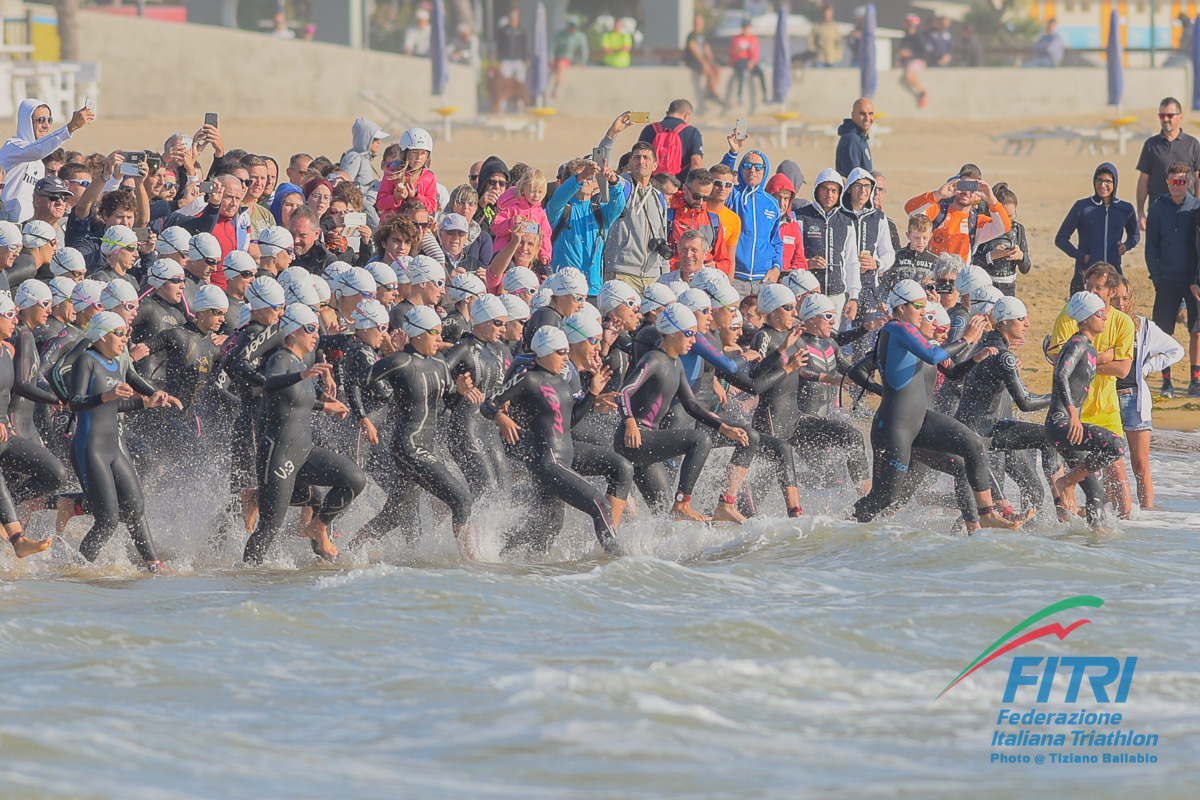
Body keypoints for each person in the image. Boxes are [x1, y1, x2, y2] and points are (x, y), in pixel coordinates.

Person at [850, 280, 1018, 529]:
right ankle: (842, 529)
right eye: (918, 305)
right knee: (884, 497)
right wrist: (968, 339)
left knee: (972, 445)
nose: (921, 311)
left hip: (920, 420)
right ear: (900, 306)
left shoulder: (914, 337)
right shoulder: (897, 329)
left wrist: (975, 357)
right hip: (895, 426)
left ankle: (987, 513)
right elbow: (932, 356)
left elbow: (952, 373)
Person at [349, 305, 481, 557]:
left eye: (440, 332)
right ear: (416, 333)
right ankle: (473, 563)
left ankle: (349, 553)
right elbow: (354, 382)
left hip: (424, 448)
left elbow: (449, 402)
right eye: (434, 332)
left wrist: (461, 392)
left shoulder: (440, 364)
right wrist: (363, 418)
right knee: (461, 499)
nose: (440, 339)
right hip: (408, 447)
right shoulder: (400, 361)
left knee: (393, 516)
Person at [486, 325, 625, 555]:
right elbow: (488, 402)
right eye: (561, 352)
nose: (566, 357)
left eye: (566, 351)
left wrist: (592, 394)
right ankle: (618, 560)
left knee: (547, 528)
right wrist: (500, 416)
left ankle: (496, 550)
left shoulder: (560, 381)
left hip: (563, 457)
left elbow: (569, 422)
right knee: (599, 504)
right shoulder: (528, 379)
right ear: (546, 352)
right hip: (547, 462)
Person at [242, 303, 363, 564]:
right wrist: (302, 374)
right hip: (278, 452)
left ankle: (318, 526)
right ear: (293, 332)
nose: (315, 335)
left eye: (316, 330)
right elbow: (270, 385)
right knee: (270, 526)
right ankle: (248, 576)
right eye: (309, 329)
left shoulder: (301, 363)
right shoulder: (281, 359)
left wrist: (326, 405)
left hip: (304, 451)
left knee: (354, 479)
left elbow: (299, 399)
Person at [615, 302, 755, 522]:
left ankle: (645, 551)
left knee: (662, 515)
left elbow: (692, 406)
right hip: (634, 439)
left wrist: (724, 427)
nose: (693, 340)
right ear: (671, 334)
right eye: (689, 334)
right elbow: (623, 392)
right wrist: (630, 422)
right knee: (699, 440)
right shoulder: (653, 359)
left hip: (647, 446)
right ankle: (682, 503)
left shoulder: (676, 364)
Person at [69, 311, 182, 571]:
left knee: (135, 508)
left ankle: (154, 565)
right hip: (90, 447)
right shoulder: (87, 361)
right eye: (119, 333)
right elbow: (74, 403)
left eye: (126, 333)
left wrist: (149, 401)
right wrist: (106, 396)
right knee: (107, 519)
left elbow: (119, 405)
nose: (125, 339)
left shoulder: (119, 360)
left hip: (114, 446)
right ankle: (76, 570)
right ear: (102, 335)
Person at [1048, 261, 1135, 517]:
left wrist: (1089, 361)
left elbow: (1123, 370)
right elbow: (1059, 362)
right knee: (1078, 481)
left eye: (1099, 288)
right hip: (1074, 408)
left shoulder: (1122, 322)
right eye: (1088, 286)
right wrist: (1104, 356)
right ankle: (1069, 540)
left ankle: (1121, 534)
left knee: (1118, 476)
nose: (1093, 291)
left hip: (1106, 408)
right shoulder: (1070, 314)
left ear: (1112, 291)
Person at [1110, 277, 1183, 510]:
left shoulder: (1143, 326)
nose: (1120, 303)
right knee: (1111, 463)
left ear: (1131, 300)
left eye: (1125, 298)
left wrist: (1147, 367)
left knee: (1140, 464)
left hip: (1134, 399)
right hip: (1106, 399)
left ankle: (1148, 513)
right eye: (1114, 298)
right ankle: (1115, 510)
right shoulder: (1101, 324)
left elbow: (1176, 350)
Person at [1143, 161, 1200, 397]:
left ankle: (1195, 381)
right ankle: (1167, 382)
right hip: (1166, 279)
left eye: (1180, 182)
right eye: (1171, 182)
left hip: (1193, 282)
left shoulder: (1196, 208)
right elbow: (1151, 247)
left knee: (1196, 331)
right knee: (1164, 333)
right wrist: (1157, 277)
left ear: (1188, 183)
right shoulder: (1157, 209)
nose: (1176, 186)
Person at [595, 117, 670, 293]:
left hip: (653, 276)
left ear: (655, 165)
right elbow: (599, 166)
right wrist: (611, 135)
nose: (641, 161)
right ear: (629, 163)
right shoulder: (620, 186)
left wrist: (664, 276)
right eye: (636, 157)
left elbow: (662, 235)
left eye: (646, 158)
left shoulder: (658, 197)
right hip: (622, 273)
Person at [1, 99, 94, 223]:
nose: (46, 125)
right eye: (40, 120)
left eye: (49, 120)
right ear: (26, 121)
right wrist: (71, 127)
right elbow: (37, 150)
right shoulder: (13, 147)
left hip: (29, 228)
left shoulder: (39, 164)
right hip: (6, 226)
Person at [545, 158, 626, 296]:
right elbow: (558, 197)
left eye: (590, 178)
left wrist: (613, 182)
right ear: (568, 183)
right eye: (582, 177)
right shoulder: (559, 210)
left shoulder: (600, 212)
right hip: (564, 288)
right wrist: (580, 177)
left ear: (595, 183)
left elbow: (618, 204)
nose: (586, 180)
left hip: (593, 290)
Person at [1054, 163, 1139, 296]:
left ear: (1115, 183)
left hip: (1113, 274)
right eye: (1099, 180)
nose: (1102, 185)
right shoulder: (1082, 207)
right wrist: (1083, 257)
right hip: (1085, 275)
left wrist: (1126, 246)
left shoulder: (1125, 209)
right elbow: (1061, 239)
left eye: (1107, 181)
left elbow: (1135, 235)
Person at [903, 166, 1010, 261]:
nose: (966, 192)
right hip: (933, 275)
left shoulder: (976, 222)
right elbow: (911, 210)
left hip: (960, 279)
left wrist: (992, 200)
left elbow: (1004, 227)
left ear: (978, 195)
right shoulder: (938, 211)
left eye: (972, 188)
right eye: (963, 186)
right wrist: (937, 195)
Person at [721, 132, 782, 295]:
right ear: (741, 170)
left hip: (764, 279)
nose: (752, 170)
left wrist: (776, 268)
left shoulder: (772, 203)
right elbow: (719, 179)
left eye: (758, 167)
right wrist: (733, 153)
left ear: (765, 170)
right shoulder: (732, 195)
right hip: (736, 278)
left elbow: (776, 241)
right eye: (747, 166)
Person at [797, 169, 857, 326]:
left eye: (834, 190)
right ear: (817, 190)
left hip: (836, 295)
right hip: (807, 293)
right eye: (825, 189)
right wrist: (808, 263)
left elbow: (851, 261)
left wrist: (853, 296)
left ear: (839, 193)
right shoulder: (801, 217)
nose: (829, 195)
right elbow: (791, 255)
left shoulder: (846, 222)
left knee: (831, 339)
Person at [1135, 97, 1200, 231]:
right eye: (1162, 115)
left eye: (1170, 115)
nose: (1165, 119)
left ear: (1180, 117)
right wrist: (1140, 212)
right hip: (1157, 212)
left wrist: (1197, 208)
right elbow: (1143, 180)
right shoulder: (1151, 145)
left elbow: (1198, 180)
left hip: (1186, 213)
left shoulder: (1192, 144)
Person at [971, 183, 1030, 297]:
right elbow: (971, 263)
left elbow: (1026, 268)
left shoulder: (1017, 229)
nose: (1007, 222)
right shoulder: (984, 227)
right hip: (984, 287)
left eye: (1011, 216)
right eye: (1004, 217)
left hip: (1008, 288)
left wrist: (1021, 257)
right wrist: (990, 256)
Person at [638, 99, 704, 183]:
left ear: (667, 113)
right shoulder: (692, 132)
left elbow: (637, 157)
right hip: (678, 187)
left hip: (651, 184)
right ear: (687, 115)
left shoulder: (650, 129)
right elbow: (696, 162)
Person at [725, 17, 767, 112]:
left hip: (749, 60)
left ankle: (765, 94)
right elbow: (733, 53)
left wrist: (752, 61)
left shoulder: (753, 39)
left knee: (760, 72)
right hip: (739, 60)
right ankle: (739, 95)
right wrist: (739, 51)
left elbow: (755, 53)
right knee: (741, 72)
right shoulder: (737, 39)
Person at [493, 6, 529, 114]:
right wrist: (500, 59)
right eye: (512, 16)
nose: (514, 18)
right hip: (506, 60)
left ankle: (520, 109)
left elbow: (524, 46)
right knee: (504, 86)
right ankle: (502, 109)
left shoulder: (521, 30)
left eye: (516, 16)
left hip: (518, 60)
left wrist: (524, 60)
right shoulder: (504, 31)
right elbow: (499, 45)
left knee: (519, 85)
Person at [683, 15, 723, 113]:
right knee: (708, 70)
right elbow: (694, 51)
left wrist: (712, 61)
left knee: (717, 69)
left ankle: (711, 91)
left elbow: (707, 49)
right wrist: (704, 62)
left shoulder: (703, 36)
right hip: (693, 60)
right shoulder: (691, 36)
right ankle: (711, 93)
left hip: (703, 60)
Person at [339, 118, 388, 194]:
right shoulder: (354, 157)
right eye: (375, 139)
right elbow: (346, 186)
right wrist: (374, 186)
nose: (379, 142)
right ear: (365, 139)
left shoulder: (364, 158)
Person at [896, 14, 931, 109]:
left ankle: (922, 92)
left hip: (918, 61)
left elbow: (923, 53)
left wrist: (909, 54)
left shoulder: (919, 37)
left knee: (909, 75)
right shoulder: (906, 38)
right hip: (908, 62)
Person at [550, 17, 589, 99]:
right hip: (556, 59)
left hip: (566, 59)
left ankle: (555, 89)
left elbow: (584, 50)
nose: (572, 28)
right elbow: (552, 47)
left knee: (561, 66)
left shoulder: (580, 37)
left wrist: (582, 62)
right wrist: (550, 59)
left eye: (574, 26)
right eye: (571, 26)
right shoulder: (560, 35)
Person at [835, 98, 874, 178]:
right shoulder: (851, 140)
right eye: (862, 114)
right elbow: (853, 178)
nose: (867, 118)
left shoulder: (861, 138)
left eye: (870, 114)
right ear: (853, 115)